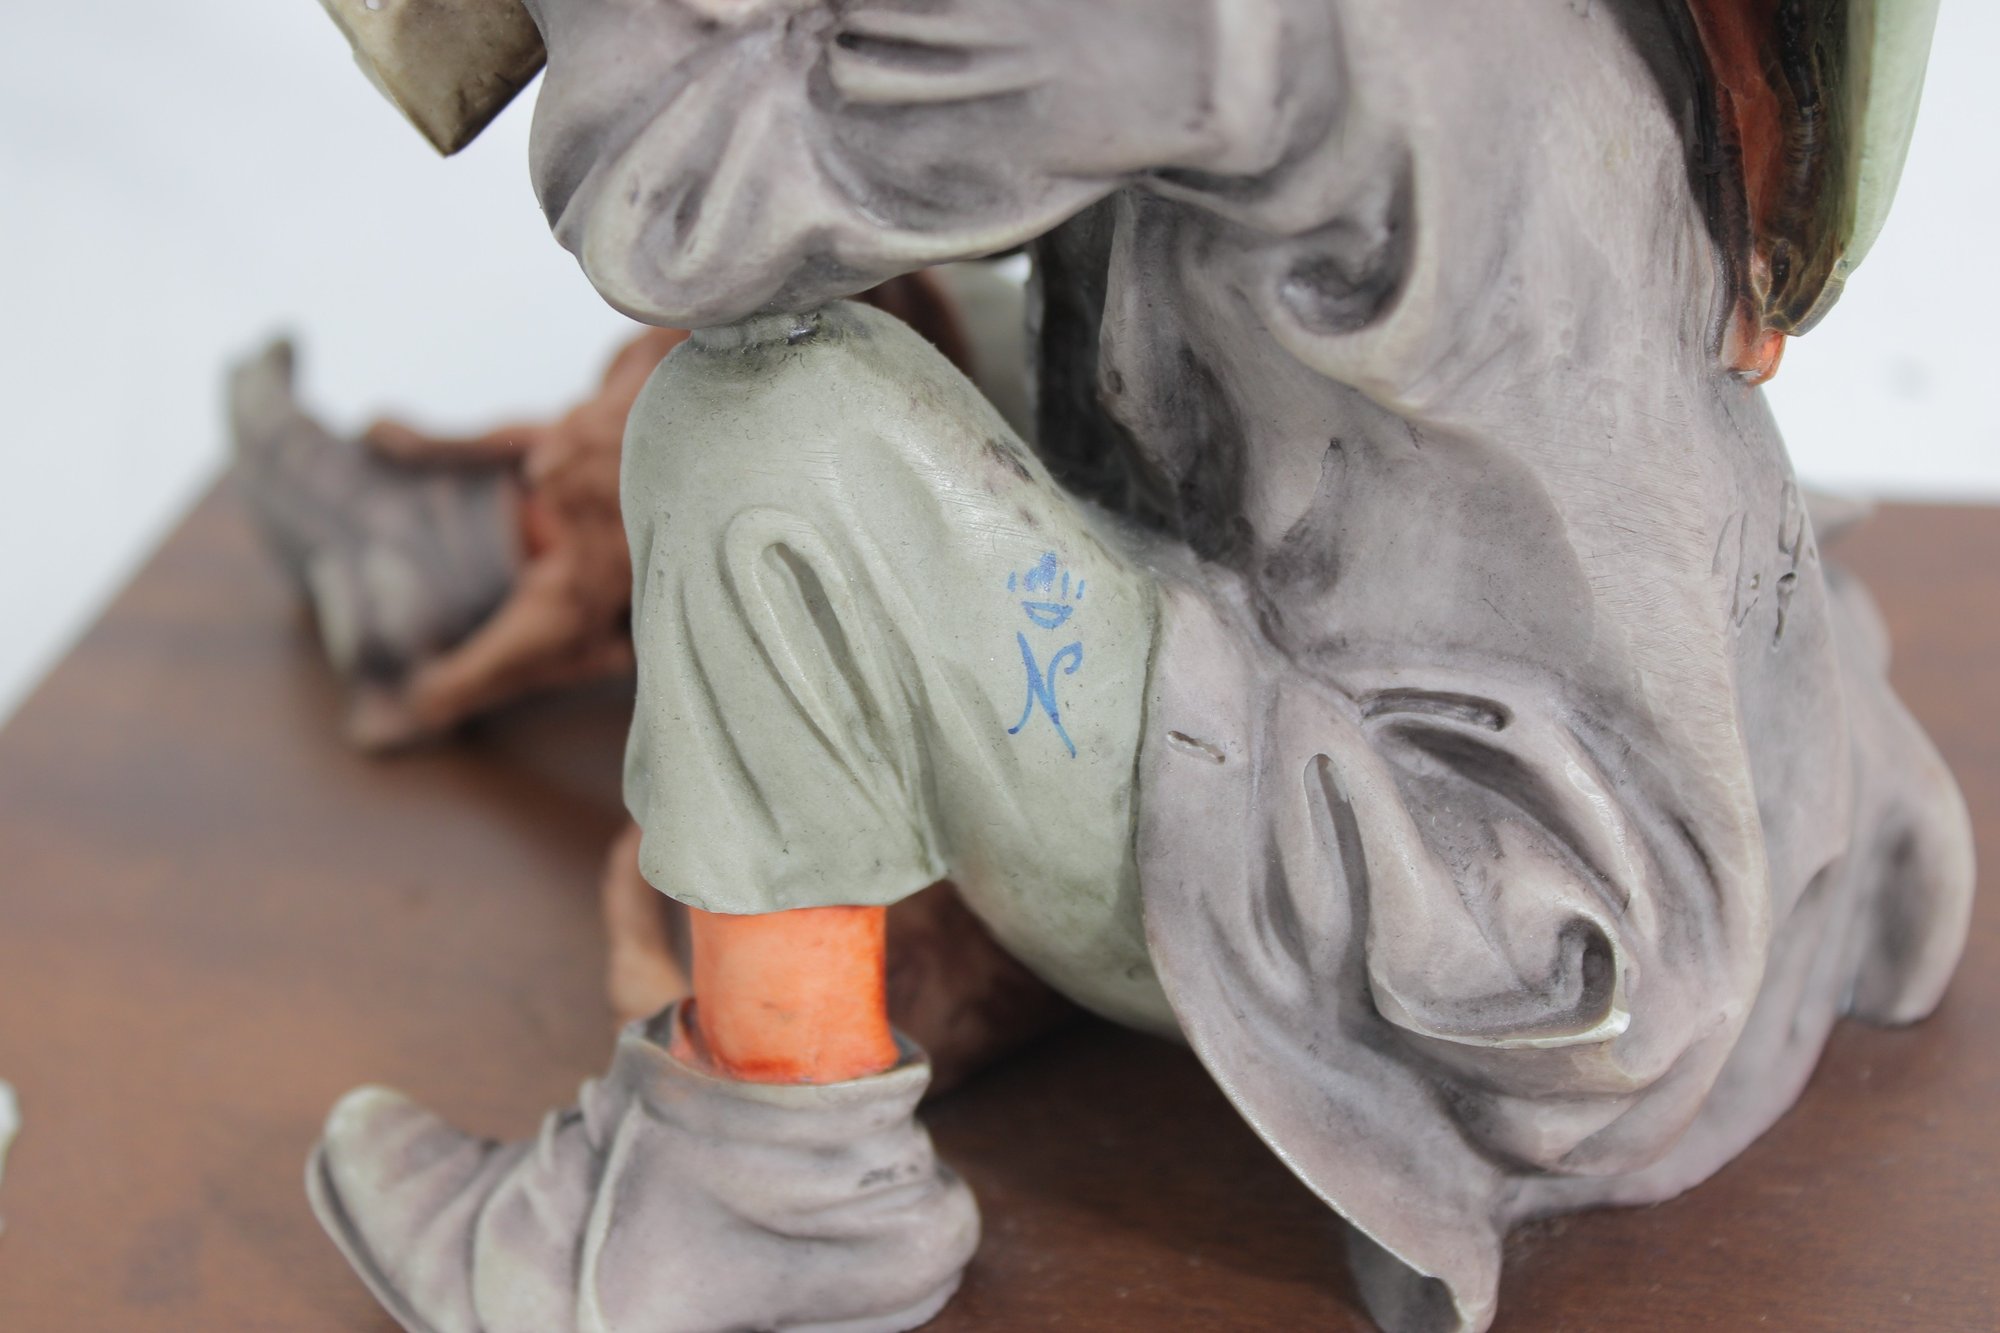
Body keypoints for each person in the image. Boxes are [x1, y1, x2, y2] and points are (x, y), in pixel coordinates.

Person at [307, 3, 1971, 1330]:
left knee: (763, 432)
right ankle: (492, 560)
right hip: (1699, 776)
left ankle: (760, 1199)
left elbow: (681, 197)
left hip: (1481, 937)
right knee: (936, 315)